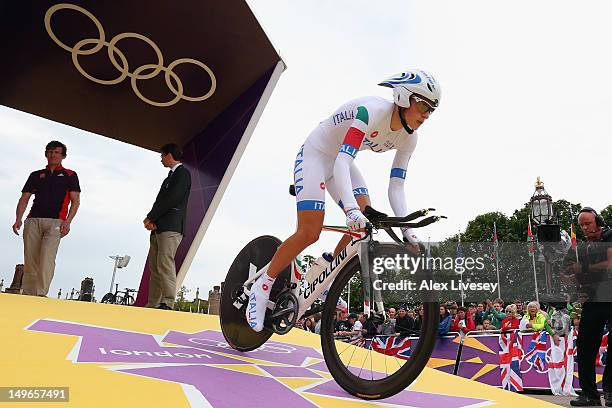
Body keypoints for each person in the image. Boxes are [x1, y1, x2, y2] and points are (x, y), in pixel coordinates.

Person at [246, 69, 441, 331]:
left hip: (342, 162)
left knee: (366, 222)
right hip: (317, 155)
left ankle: (324, 275)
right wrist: (350, 211)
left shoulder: (410, 138)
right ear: (405, 97)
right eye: (424, 105)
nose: (427, 114)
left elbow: (396, 186)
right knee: (310, 231)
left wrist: (407, 231)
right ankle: (262, 286)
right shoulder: (370, 112)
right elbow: (342, 161)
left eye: (432, 109)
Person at [12, 141, 80, 296]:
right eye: (50, 152)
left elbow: (75, 201)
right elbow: (25, 198)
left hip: (56, 222)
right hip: (33, 220)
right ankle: (29, 294)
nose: (53, 155)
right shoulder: (36, 175)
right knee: (30, 259)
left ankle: (41, 293)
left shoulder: (70, 175)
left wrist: (68, 222)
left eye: (56, 152)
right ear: (46, 154)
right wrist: (18, 218)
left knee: (47, 258)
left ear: (62, 155)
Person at [566, 207, 612, 407]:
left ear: (599, 222)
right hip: (593, 299)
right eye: (582, 225)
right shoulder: (583, 247)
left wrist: (582, 268)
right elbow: (577, 274)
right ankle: (590, 395)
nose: (585, 228)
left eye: (588, 223)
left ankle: (610, 391)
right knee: (584, 347)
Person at [144, 144, 191, 310]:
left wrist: (151, 216)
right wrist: (152, 219)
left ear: (169, 155)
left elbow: (173, 198)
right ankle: (153, 302)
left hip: (172, 227)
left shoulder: (183, 174)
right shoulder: (168, 178)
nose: (161, 159)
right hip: (159, 227)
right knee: (155, 266)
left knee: (165, 263)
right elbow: (160, 201)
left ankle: (167, 301)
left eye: (162, 156)